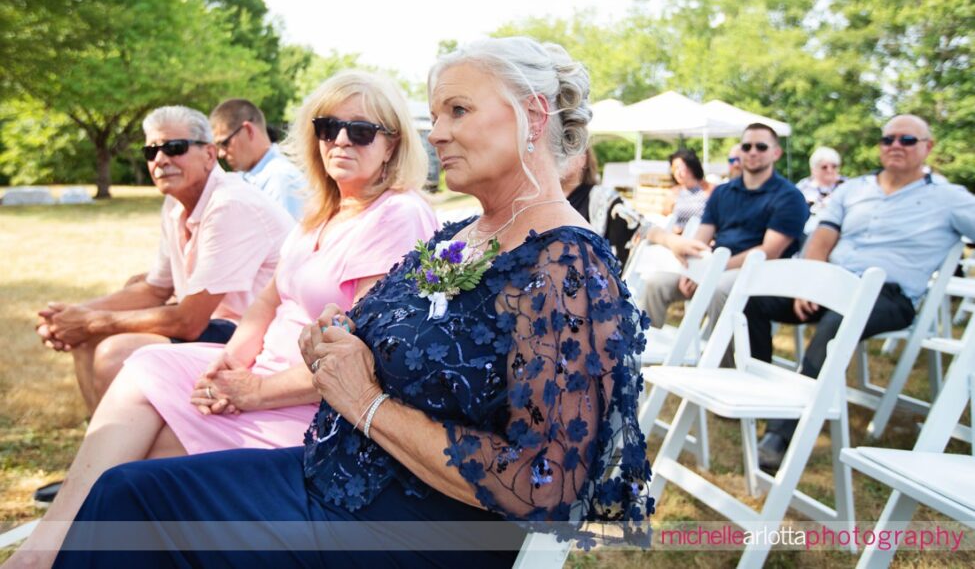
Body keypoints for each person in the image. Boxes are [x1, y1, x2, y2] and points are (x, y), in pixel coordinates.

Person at [47, 37, 652, 568]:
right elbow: (364, 325)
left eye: (458, 110)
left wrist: (366, 401)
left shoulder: (566, 265)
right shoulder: (464, 236)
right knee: (127, 487)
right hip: (334, 473)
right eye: (436, 113)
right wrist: (330, 338)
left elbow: (545, 484)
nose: (436, 133)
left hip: (408, 527)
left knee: (132, 504)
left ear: (533, 116)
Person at [8, 71, 438, 567]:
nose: (340, 140)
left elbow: (359, 358)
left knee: (140, 461)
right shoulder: (325, 213)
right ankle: (47, 549)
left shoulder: (397, 215)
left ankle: (47, 552)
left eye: (361, 130)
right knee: (141, 371)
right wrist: (228, 366)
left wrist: (253, 392)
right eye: (328, 127)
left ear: (392, 145)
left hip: (312, 406)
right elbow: (266, 304)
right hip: (258, 375)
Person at [747, 115, 975, 471]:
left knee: (839, 323)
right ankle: (758, 398)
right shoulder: (853, 189)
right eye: (888, 139)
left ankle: (781, 433)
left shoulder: (949, 198)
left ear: (928, 147)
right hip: (830, 283)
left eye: (907, 140)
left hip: (889, 297)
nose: (896, 145)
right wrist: (811, 280)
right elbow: (823, 236)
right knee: (753, 300)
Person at [35, 106, 294, 413]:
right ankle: (105, 445)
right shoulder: (175, 202)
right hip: (216, 324)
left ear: (210, 155)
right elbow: (154, 289)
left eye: (175, 148)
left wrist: (91, 321)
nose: (160, 159)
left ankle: (125, 452)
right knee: (87, 341)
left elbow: (189, 321)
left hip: (253, 337)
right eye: (151, 150)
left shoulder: (230, 204)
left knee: (113, 352)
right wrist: (73, 315)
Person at [642, 123, 809, 331]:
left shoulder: (789, 197)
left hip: (759, 273)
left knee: (718, 289)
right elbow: (700, 239)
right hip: (715, 266)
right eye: (747, 147)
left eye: (761, 147)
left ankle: (719, 363)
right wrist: (694, 269)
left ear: (776, 153)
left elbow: (769, 252)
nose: (753, 152)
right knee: (655, 283)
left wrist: (710, 271)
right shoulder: (722, 192)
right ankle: (643, 354)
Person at [210, 98, 308, 219]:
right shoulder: (248, 176)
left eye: (224, 143)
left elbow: (287, 236)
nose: (221, 154)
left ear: (249, 130)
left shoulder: (280, 179)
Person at [560, 145, 637, 265]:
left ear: (583, 157)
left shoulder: (602, 197)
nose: (558, 154)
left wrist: (671, 241)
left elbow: (639, 226)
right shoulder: (538, 199)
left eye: (566, 148)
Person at [663, 148, 712, 233]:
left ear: (691, 166)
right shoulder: (673, 192)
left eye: (679, 167)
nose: (677, 172)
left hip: (701, 236)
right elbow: (666, 217)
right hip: (678, 237)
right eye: (673, 169)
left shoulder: (708, 189)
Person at [795, 146, 845, 215]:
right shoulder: (802, 188)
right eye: (824, 167)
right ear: (813, 169)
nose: (829, 170)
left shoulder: (848, 185)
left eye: (834, 166)